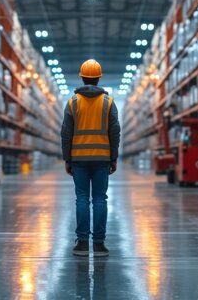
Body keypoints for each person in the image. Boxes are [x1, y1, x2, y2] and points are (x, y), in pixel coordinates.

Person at [61, 59, 121, 257]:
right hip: (102, 159)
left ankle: (82, 244)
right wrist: (113, 157)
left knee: (82, 199)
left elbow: (66, 134)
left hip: (78, 158)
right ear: (98, 79)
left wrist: (67, 159)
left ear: (82, 77)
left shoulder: (72, 102)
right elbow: (115, 132)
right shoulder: (109, 102)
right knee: (100, 199)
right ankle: (99, 244)